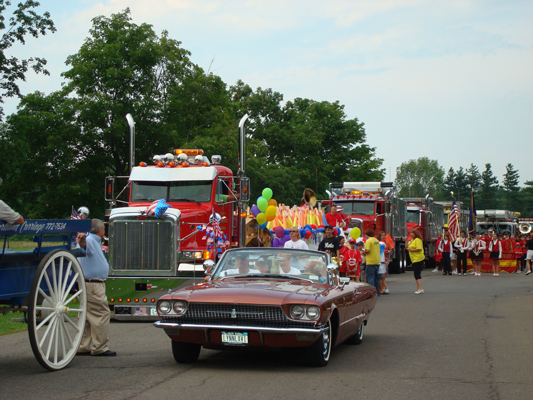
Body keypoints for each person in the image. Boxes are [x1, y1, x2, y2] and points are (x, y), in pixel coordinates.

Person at [76, 219, 116, 357]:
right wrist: (82, 241)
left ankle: (83, 345)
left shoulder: (92, 240)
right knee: (101, 314)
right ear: (100, 231)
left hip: (87, 284)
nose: (104, 232)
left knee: (86, 316)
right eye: (104, 229)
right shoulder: (91, 240)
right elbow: (84, 246)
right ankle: (100, 346)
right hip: (93, 285)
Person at [406, 228, 425, 294]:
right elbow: (407, 247)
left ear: (415, 234)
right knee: (415, 274)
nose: (411, 234)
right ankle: (418, 288)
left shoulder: (418, 240)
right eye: (410, 233)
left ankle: (420, 288)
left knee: (417, 273)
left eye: (412, 233)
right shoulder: (412, 240)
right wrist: (406, 240)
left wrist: (411, 250)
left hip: (418, 259)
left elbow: (419, 249)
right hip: (414, 259)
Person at [362, 229, 380, 296]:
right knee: (376, 278)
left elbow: (367, 250)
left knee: (370, 277)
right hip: (377, 260)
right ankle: (377, 292)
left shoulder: (368, 241)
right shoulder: (376, 240)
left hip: (370, 261)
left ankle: (371, 292)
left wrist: (362, 253)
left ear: (367, 234)